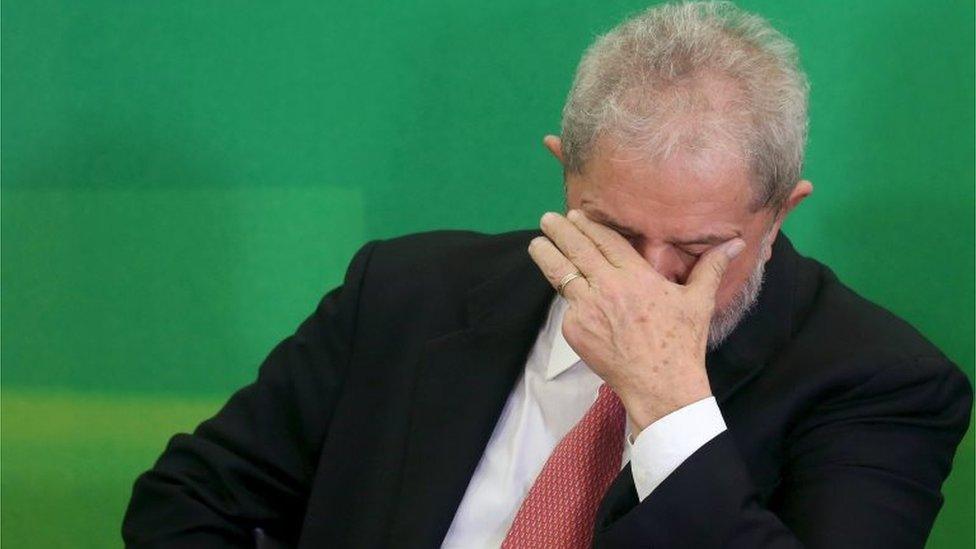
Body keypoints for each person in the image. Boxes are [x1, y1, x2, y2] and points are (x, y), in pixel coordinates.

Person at [121, 2, 972, 548]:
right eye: (609, 230)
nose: (641, 281)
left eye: (697, 248)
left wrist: (669, 403)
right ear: (565, 171)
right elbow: (185, 504)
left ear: (782, 210)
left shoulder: (881, 382)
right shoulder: (407, 291)